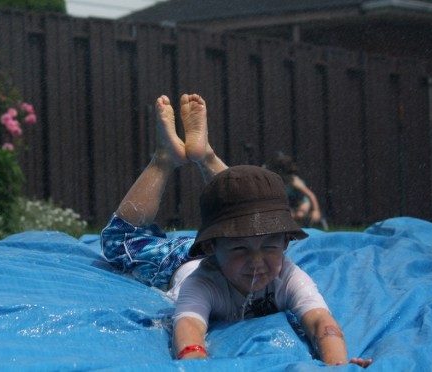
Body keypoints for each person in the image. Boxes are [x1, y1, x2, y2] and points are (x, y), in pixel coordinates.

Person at [100, 94, 372, 367]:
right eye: (242, 250)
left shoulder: (288, 275)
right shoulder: (203, 282)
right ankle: (163, 158)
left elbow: (321, 323)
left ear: (285, 243)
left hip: (223, 234)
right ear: (210, 248)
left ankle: (206, 155)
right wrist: (196, 360)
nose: (257, 262)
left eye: (269, 246)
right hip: (178, 259)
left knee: (248, 212)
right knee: (119, 241)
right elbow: (189, 330)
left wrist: (339, 364)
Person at [265, 153, 324, 228]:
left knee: (300, 213)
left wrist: (316, 210)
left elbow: (310, 195)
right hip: (288, 202)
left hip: (300, 200)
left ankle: (304, 224)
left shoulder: (294, 181)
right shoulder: (274, 181)